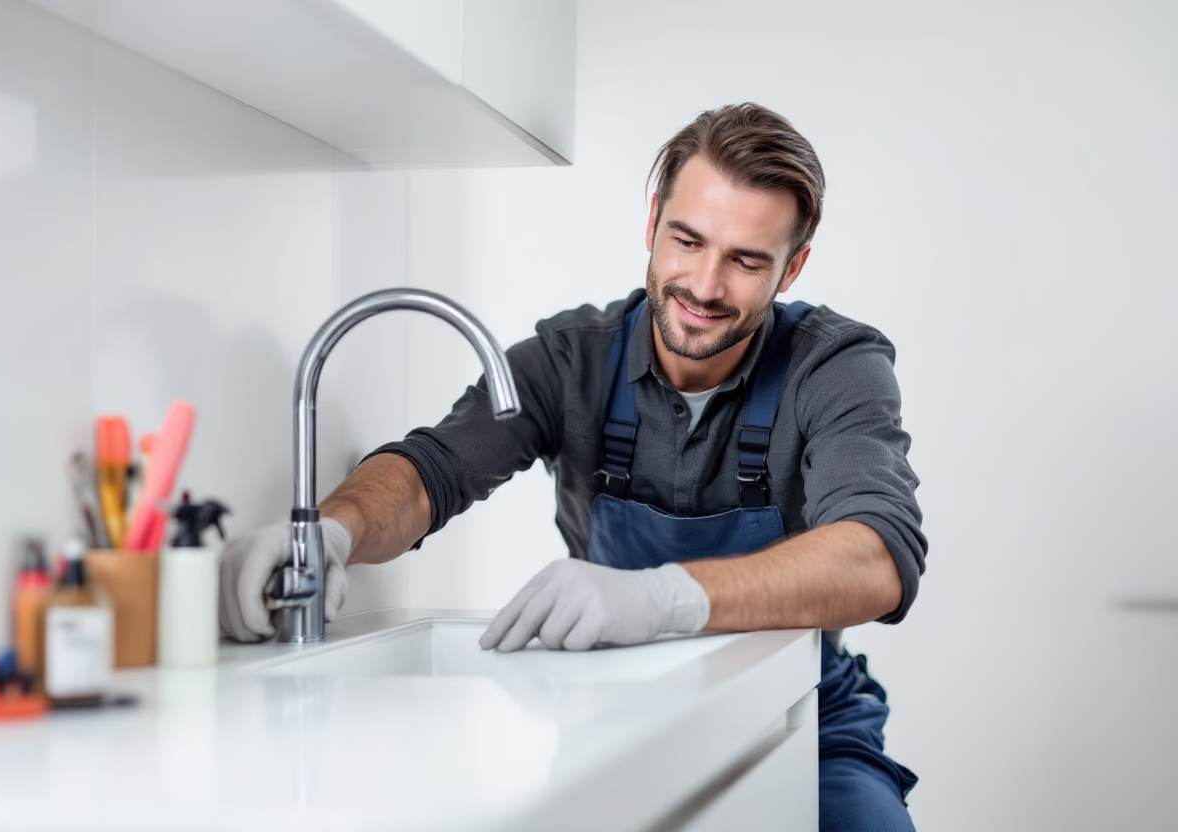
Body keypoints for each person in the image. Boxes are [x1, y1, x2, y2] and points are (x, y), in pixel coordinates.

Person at [219, 102, 926, 831]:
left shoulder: (834, 365)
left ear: (793, 266)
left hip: (803, 722)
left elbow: (877, 558)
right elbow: (433, 468)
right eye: (687, 240)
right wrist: (334, 530)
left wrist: (663, 598)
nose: (706, 287)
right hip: (616, 724)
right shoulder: (572, 359)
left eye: (747, 261)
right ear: (652, 223)